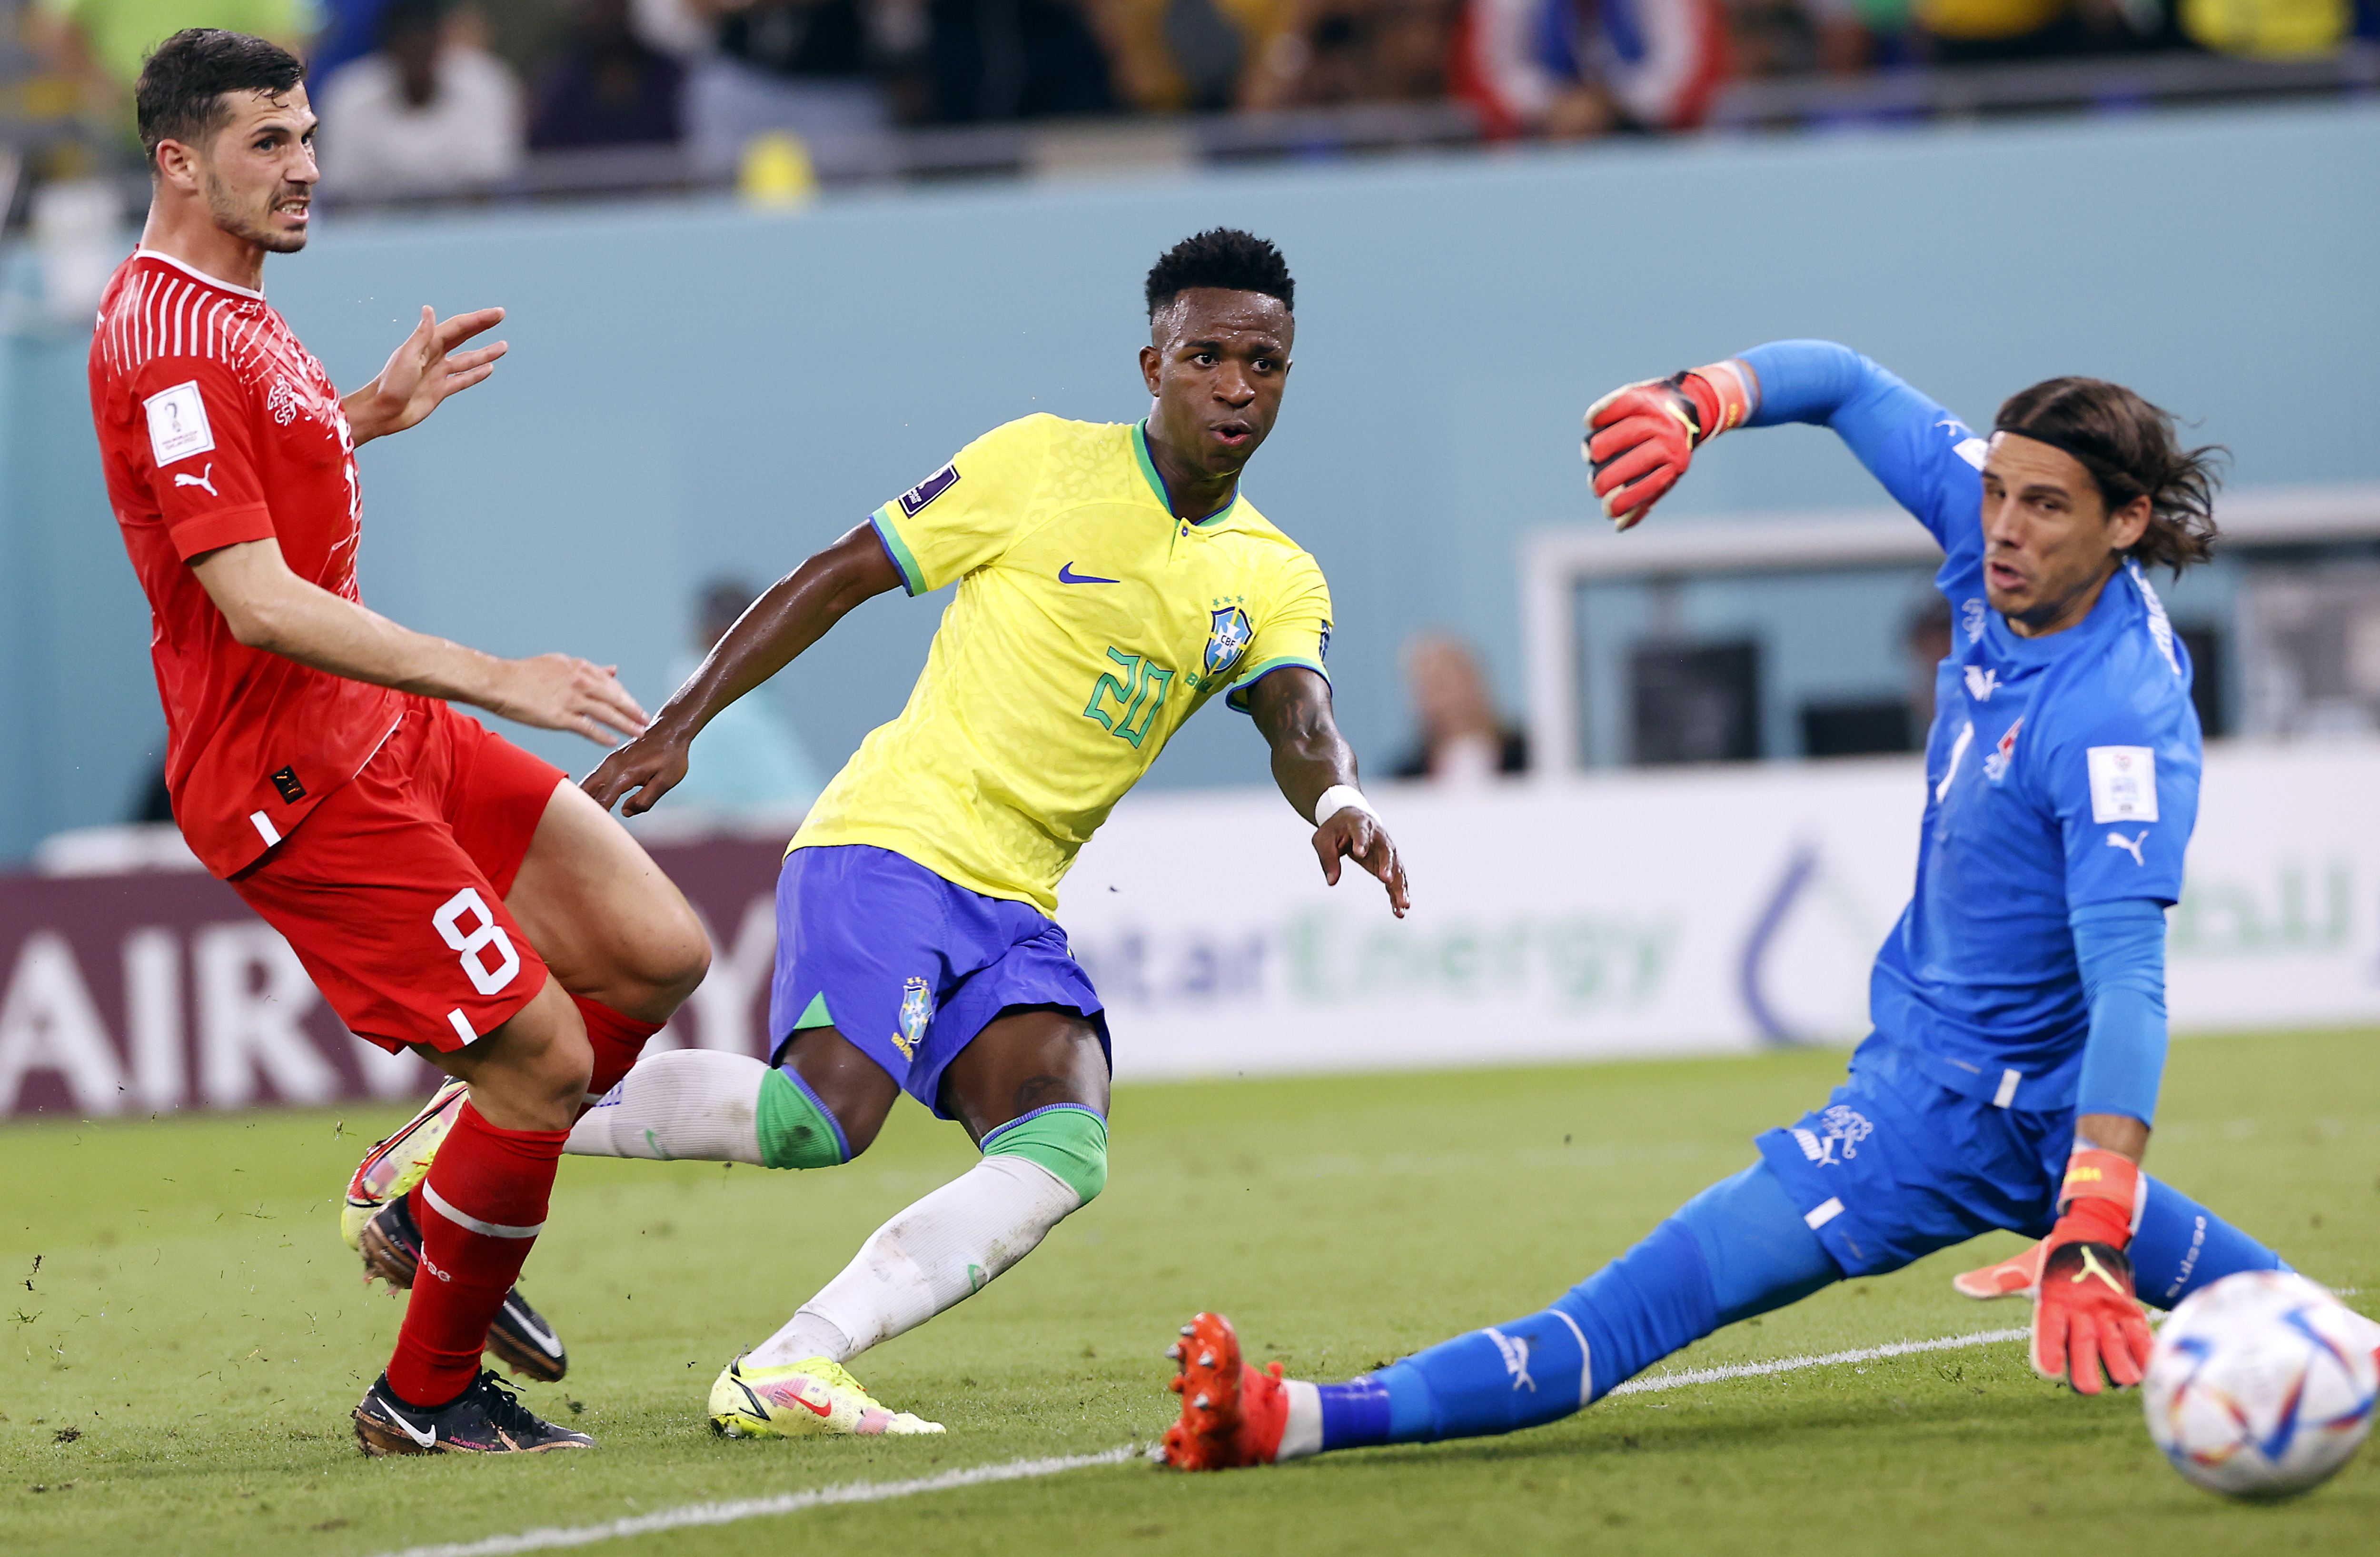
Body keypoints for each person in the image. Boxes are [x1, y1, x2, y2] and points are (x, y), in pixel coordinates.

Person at [1155, 339, 2298, 1470]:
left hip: (1940, 1125)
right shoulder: (2003, 547)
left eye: (2043, 506)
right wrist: (1700, 401)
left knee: (1621, 1317)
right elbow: (1844, 382)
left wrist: (2093, 1218)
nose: (2002, 526)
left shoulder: (2115, 720)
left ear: (2128, 521)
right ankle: (1288, 1417)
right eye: (1995, 491)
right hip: (2020, 1111)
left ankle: (1281, 1416)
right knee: (2320, 1338)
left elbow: (2130, 980)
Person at [558, 228, 1409, 1438]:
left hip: (1016, 901)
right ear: (1151, 363)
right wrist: (681, 720)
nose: (1235, 386)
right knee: (818, 1121)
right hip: (895, 837)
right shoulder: (1037, 464)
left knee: (1065, 1140)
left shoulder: (1273, 572)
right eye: (1206, 356)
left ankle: (795, 1363)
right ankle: (521, 1093)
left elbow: (1297, 713)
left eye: (1262, 364)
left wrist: (1338, 800)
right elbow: (839, 572)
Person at [91, 30, 708, 1456]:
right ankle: (421, 1400)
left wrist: (362, 415)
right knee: (544, 1063)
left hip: (382, 733)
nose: (307, 167)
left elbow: (249, 490)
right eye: (268, 143)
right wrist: (500, 674)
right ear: (179, 161)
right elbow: (248, 597)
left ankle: (438, 1205)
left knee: (654, 949)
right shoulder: (165, 339)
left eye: (308, 135)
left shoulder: (237, 307)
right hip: (291, 779)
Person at [315, 0, 525, 198]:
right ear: (389, 48)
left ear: (440, 42)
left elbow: (495, 183)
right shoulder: (348, 96)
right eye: (408, 45)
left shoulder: (487, 85)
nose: (417, 54)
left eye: (425, 44)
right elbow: (340, 194)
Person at [1390, 631, 1527, 782]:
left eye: (1445, 683)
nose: (1444, 699)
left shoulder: (1529, 756)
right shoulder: (1407, 778)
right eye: (1428, 687)